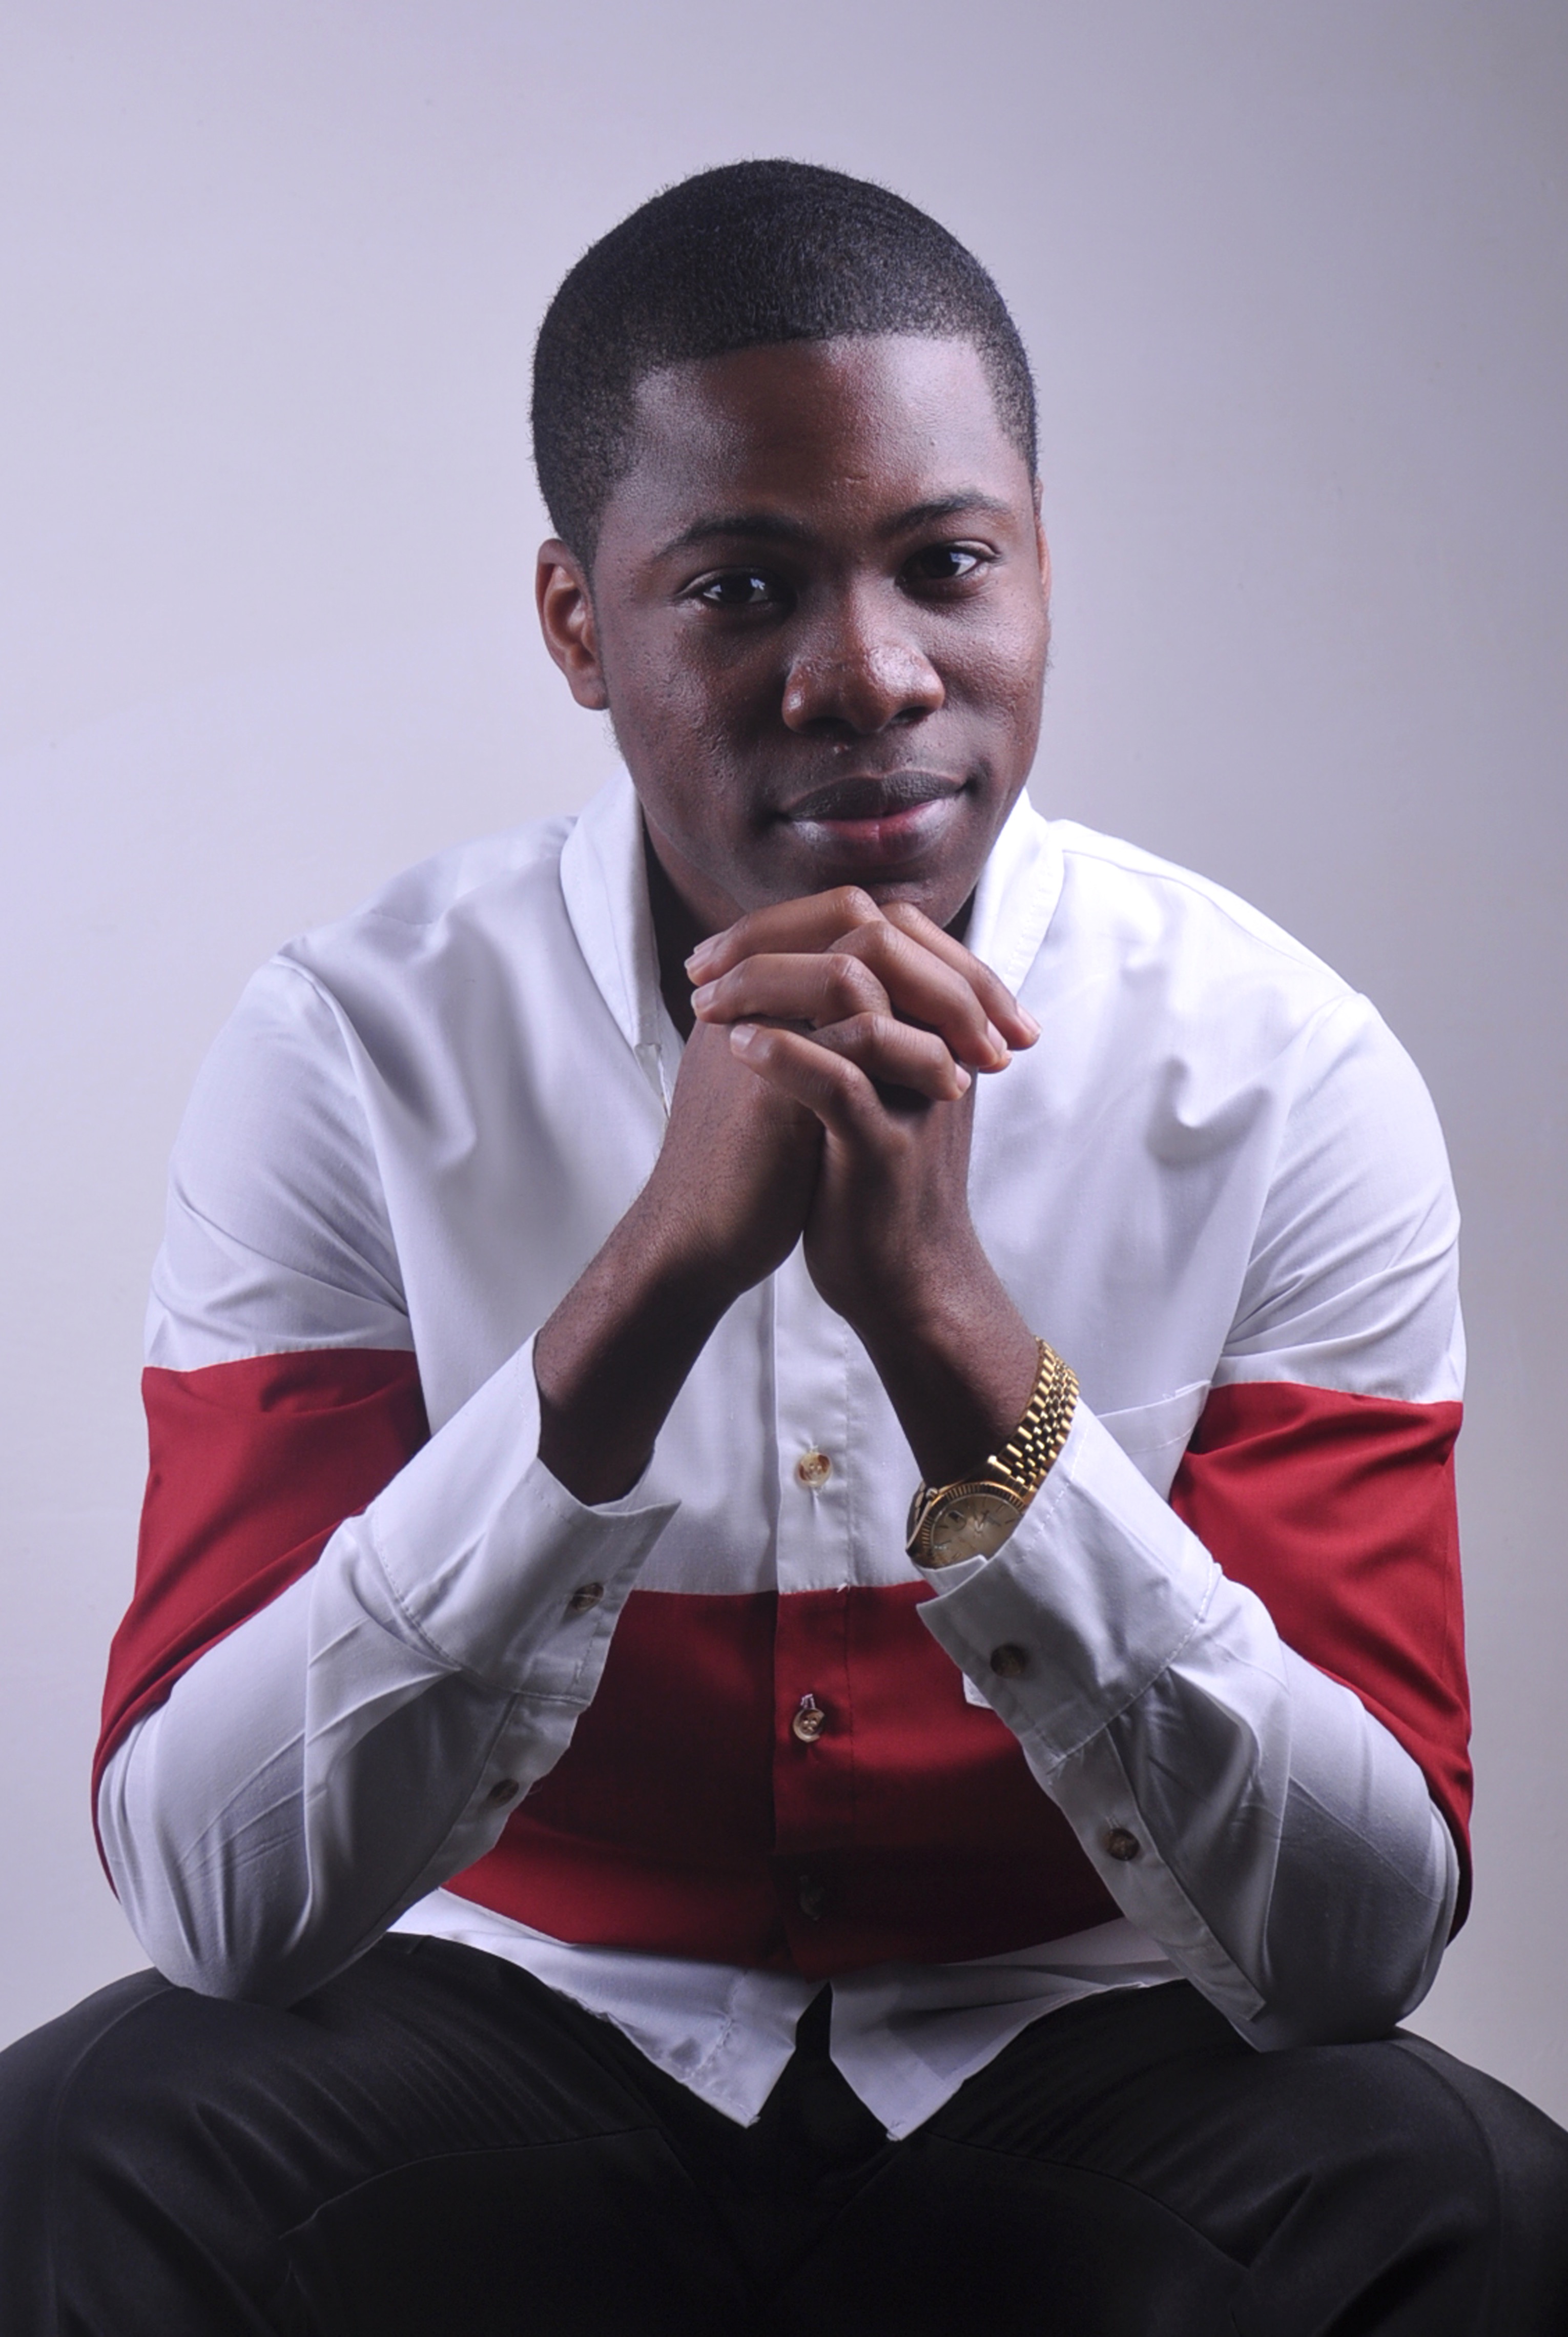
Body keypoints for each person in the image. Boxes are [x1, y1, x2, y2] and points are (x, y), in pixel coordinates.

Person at [2, 158, 1564, 2335]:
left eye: (948, 565)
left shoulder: (1284, 1072)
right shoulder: (354, 1050)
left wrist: (951, 1335)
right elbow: (214, 1905)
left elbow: (1352, 1953)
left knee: (1467, 2198)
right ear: (580, 626)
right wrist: (641, 1291)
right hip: (524, 2019)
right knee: (72, 2150)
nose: (873, 675)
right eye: (743, 589)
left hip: (1073, 2041)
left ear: (1042, 567)